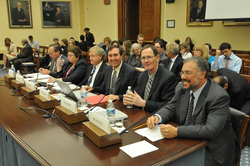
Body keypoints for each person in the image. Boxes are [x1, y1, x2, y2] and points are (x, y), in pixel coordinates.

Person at [147, 57, 236, 166]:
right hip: (187, 142)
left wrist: (177, 131)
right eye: (182, 72)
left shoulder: (219, 96)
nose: (183, 77)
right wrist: (158, 117)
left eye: (188, 73)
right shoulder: (181, 88)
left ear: (202, 74)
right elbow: (171, 106)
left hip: (211, 149)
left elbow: (210, 129)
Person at [123, 45, 177, 112]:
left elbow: (168, 105)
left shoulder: (169, 77)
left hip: (157, 117)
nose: (146, 61)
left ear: (157, 58)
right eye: (143, 58)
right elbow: (139, 99)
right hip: (141, 114)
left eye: (149, 57)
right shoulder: (141, 76)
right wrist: (130, 100)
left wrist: (144, 103)